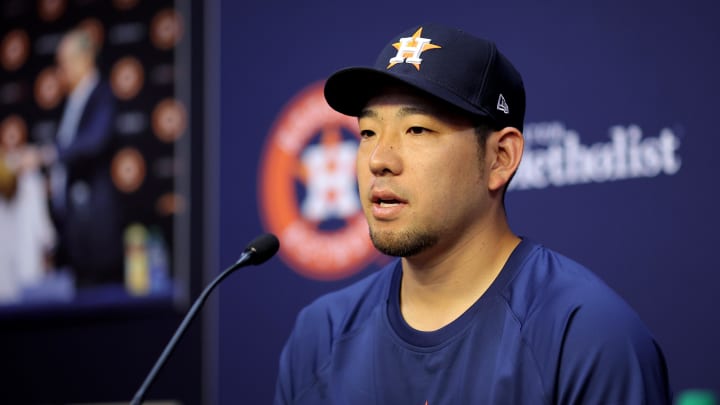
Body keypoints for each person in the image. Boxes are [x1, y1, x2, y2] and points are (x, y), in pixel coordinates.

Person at [274, 24, 671, 404]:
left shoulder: (586, 334)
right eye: (367, 133)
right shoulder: (320, 336)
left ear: (500, 158)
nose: (379, 160)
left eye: (417, 129)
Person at [27, 28, 124, 287]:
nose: (61, 69)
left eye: (65, 61)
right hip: (70, 227)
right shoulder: (70, 101)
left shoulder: (102, 95)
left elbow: (93, 143)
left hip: (94, 226)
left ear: (86, 59)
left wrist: (46, 155)